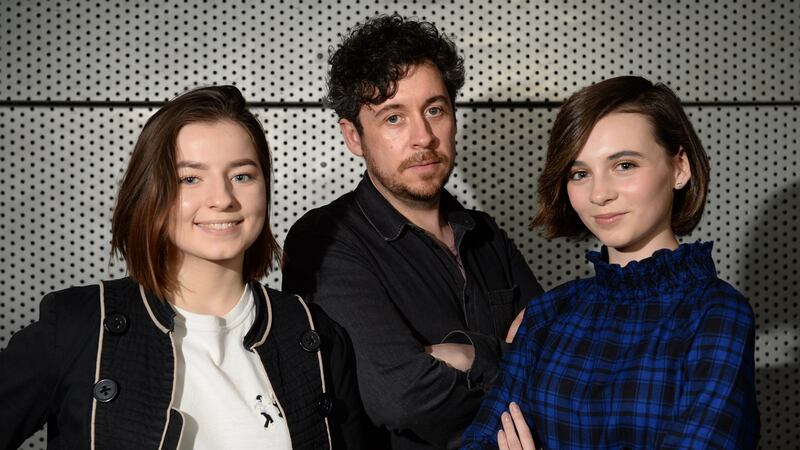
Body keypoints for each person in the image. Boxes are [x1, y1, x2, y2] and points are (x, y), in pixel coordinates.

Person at [0, 85, 373, 449]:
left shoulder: (314, 332)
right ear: (152, 194)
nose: (222, 199)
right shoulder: (76, 327)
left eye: (242, 175)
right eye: (190, 179)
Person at [281, 14, 543, 449]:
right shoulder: (325, 240)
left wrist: (464, 355)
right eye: (393, 118)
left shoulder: (485, 235)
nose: (423, 137)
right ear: (353, 136)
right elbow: (401, 398)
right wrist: (504, 356)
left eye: (434, 110)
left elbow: (564, 366)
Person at [461, 76, 760, 449]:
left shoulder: (716, 314)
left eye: (624, 165)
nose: (599, 194)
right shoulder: (548, 314)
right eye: (580, 173)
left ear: (680, 167)